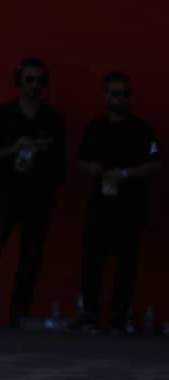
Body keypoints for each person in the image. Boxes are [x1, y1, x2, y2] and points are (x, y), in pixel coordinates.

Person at [0, 58, 66, 328]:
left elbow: (62, 160)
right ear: (19, 82)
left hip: (38, 196)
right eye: (29, 79)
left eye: (40, 80)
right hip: (5, 194)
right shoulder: (4, 114)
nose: (34, 85)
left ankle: (19, 315)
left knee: (31, 256)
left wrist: (42, 154)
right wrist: (15, 148)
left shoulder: (52, 119)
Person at [67, 72, 161, 334]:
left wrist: (127, 174)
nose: (121, 99)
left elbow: (155, 163)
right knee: (92, 261)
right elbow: (80, 161)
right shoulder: (96, 128)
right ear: (106, 96)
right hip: (100, 205)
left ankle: (119, 316)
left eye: (125, 94)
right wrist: (94, 169)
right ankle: (91, 315)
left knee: (127, 263)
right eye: (116, 93)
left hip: (130, 206)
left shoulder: (141, 129)